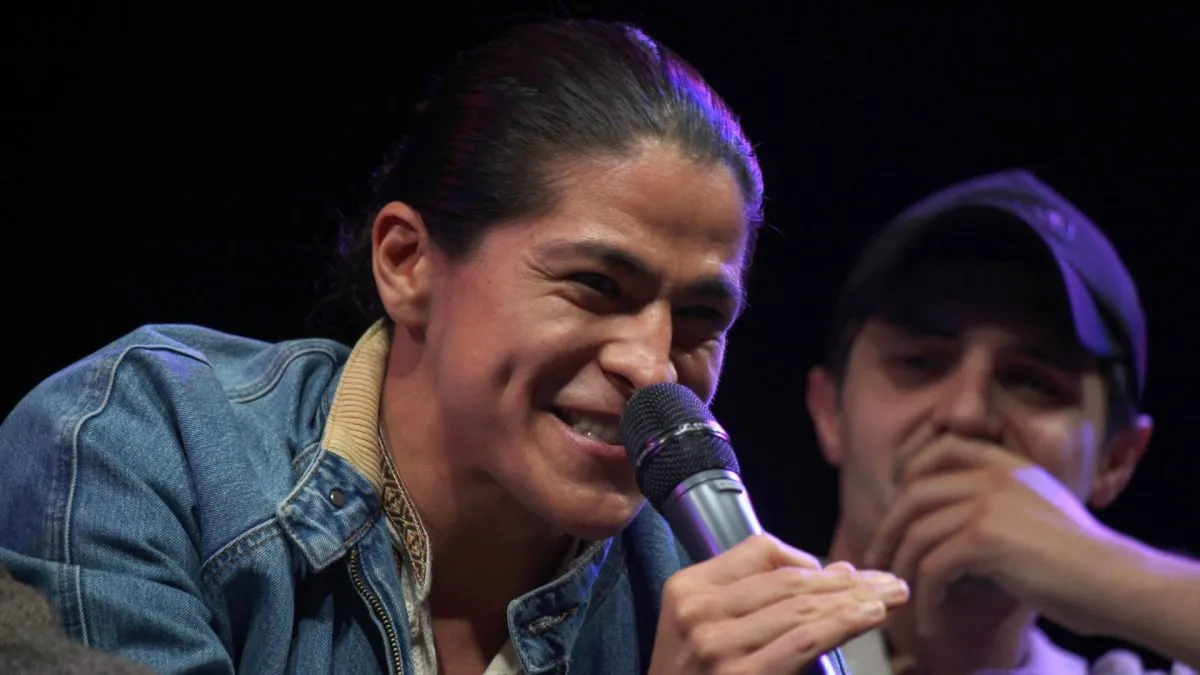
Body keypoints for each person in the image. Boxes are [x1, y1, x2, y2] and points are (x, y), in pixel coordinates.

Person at [0, 19, 908, 675]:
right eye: (596, 285)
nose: (654, 364)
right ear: (408, 264)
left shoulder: (703, 589)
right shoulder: (143, 446)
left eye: (702, 316)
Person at [804, 168, 1200, 674]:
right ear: (829, 411)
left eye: (1032, 381)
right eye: (920, 362)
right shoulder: (724, 650)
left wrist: (1116, 575)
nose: (966, 413)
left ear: (1116, 460)